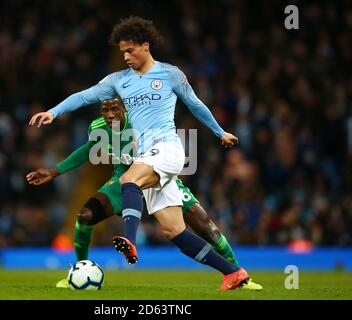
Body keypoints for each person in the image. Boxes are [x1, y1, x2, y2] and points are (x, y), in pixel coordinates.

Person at [29, 16, 252, 290]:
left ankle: (130, 239)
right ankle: (233, 272)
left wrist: (220, 132)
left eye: (130, 50)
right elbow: (84, 96)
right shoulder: (118, 80)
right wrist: (53, 112)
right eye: (122, 51)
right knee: (174, 231)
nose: (125, 56)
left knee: (128, 180)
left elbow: (195, 105)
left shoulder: (171, 74)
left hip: (167, 148)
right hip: (148, 156)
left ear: (145, 46)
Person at [27, 98, 262, 290]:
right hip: (124, 176)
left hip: (156, 176)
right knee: (85, 216)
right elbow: (90, 149)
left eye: (114, 109)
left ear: (126, 108)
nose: (109, 114)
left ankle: (241, 277)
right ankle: (79, 269)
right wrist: (54, 171)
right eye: (104, 110)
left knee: (207, 227)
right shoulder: (97, 127)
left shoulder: (143, 123)